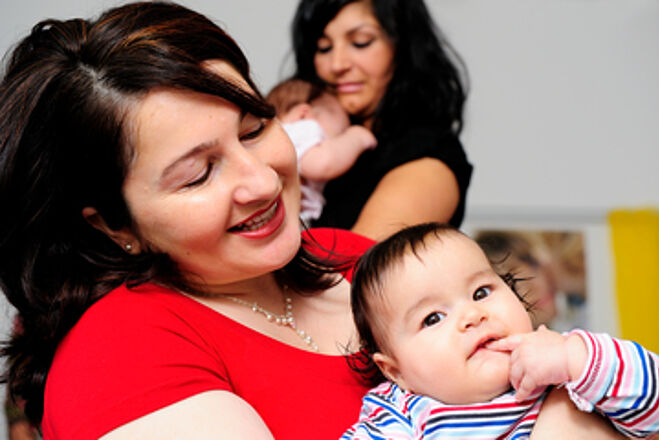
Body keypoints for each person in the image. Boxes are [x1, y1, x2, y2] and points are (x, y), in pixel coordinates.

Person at [0, 2, 630, 440]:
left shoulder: (353, 255)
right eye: (198, 174)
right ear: (114, 225)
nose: (261, 179)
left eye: (256, 128)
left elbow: (574, 376)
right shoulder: (119, 355)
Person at [344, 222, 659, 439]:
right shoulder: (398, 414)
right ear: (396, 371)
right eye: (433, 318)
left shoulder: (564, 365)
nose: (472, 315)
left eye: (481, 292)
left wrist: (574, 359)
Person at [291, 0, 473, 240]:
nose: (337, 64)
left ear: (401, 46)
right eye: (323, 48)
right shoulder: (313, 138)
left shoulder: (427, 159)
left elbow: (356, 261)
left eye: (361, 42)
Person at [266, 78, 377, 223]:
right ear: (304, 114)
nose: (341, 140)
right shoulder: (299, 130)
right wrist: (356, 137)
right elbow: (322, 164)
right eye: (341, 132)